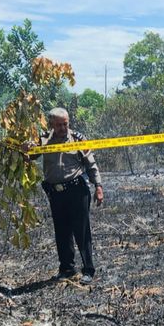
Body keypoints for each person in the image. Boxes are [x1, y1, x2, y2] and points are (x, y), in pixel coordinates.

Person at [25, 107, 104, 285]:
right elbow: (30, 156)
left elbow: (91, 164)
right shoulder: (43, 139)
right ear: (51, 124)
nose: (62, 128)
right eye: (59, 125)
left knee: (82, 231)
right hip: (55, 193)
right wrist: (26, 149)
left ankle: (88, 270)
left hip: (77, 190)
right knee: (62, 232)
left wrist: (98, 186)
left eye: (65, 124)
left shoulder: (77, 139)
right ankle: (67, 268)